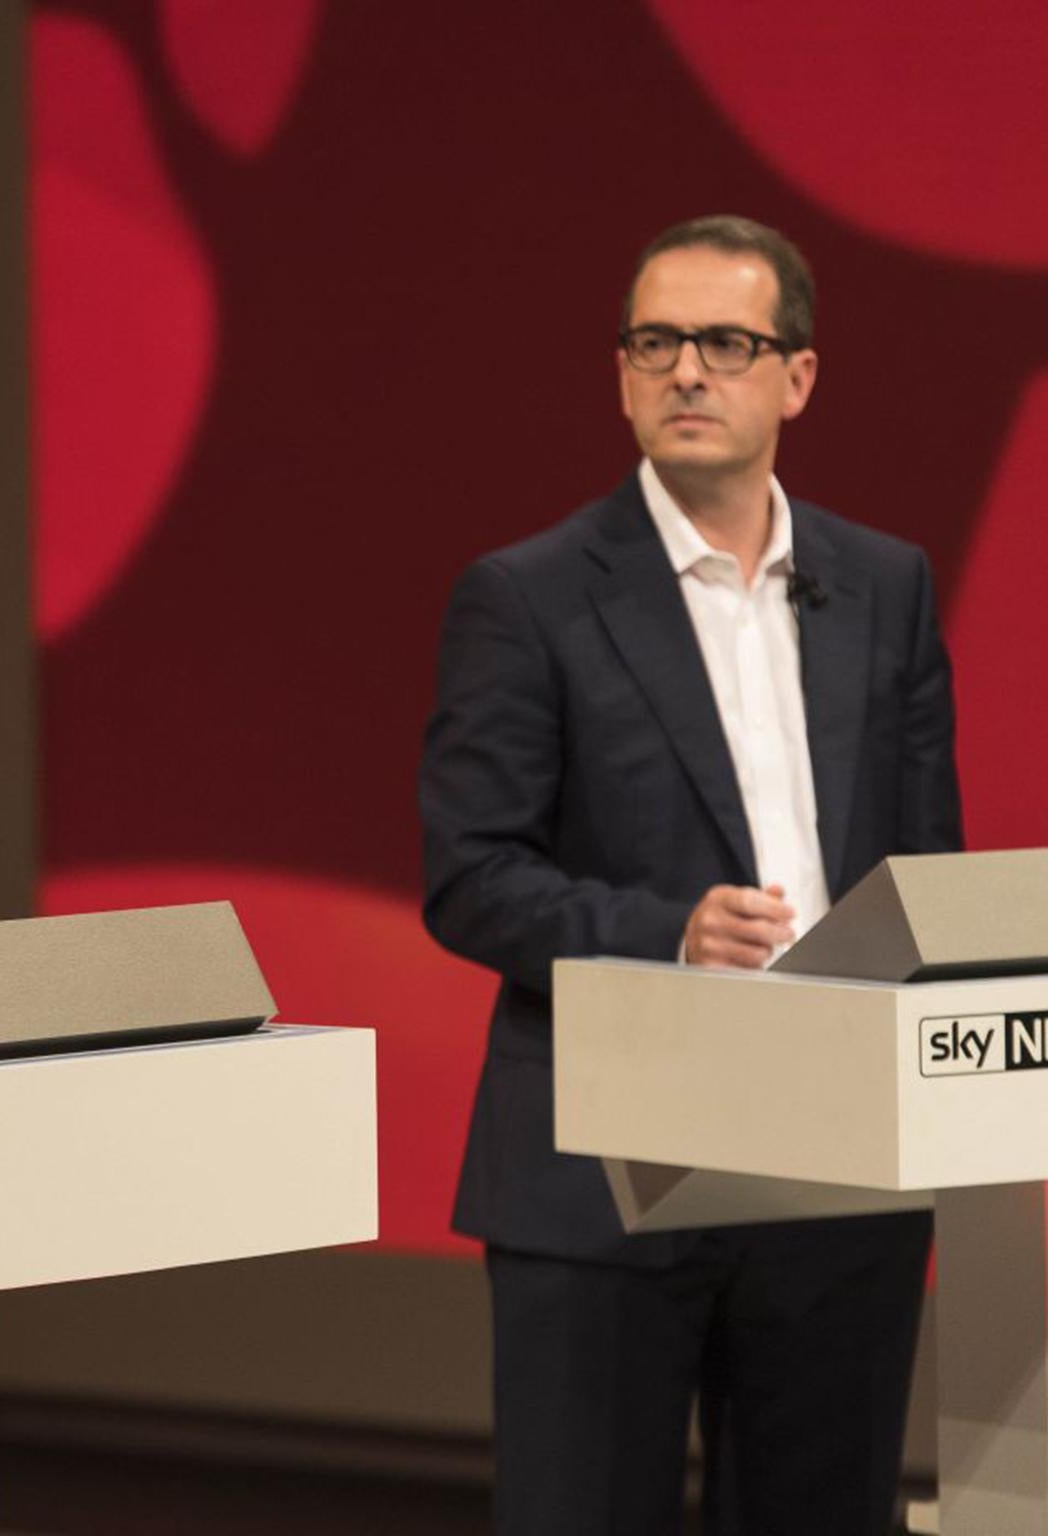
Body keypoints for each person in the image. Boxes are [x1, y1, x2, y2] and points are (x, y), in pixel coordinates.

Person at [420, 215, 960, 1535]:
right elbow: (469, 874)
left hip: (833, 1173)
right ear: (620, 374)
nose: (686, 373)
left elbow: (927, 876)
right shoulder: (529, 596)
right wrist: (664, 933)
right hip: (608, 1173)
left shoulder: (884, 587)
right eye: (655, 343)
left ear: (798, 377)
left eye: (726, 342)